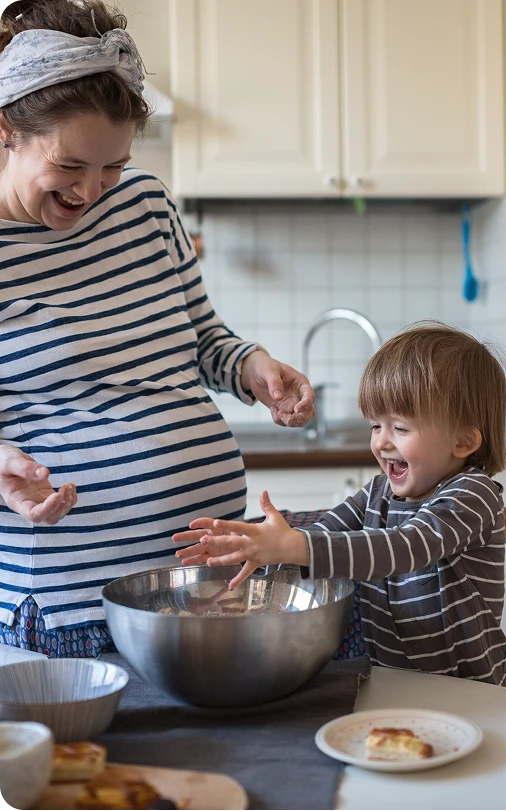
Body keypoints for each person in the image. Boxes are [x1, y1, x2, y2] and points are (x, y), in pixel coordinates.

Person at [0, 0, 315, 657]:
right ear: (6, 131)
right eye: (69, 167)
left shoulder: (144, 203)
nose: (90, 191)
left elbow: (203, 337)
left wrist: (251, 365)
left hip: (213, 581)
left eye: (111, 165)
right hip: (74, 605)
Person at [174, 323, 506, 685]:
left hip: (469, 693)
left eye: (399, 428)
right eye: (374, 426)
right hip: (392, 685)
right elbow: (323, 533)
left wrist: (295, 545)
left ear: (463, 441)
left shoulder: (473, 495)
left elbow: (404, 547)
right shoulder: (377, 493)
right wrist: (259, 548)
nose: (381, 442)